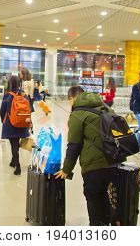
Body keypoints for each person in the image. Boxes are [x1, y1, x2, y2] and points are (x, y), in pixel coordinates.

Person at [55, 86, 115, 226]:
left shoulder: (78, 114)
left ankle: (95, 227)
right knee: (103, 194)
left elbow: (74, 145)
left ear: (72, 98)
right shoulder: (104, 107)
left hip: (94, 164)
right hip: (113, 160)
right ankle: (105, 225)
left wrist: (66, 170)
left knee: (92, 196)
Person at [0, 76, 30, 176]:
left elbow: (2, 110)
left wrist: (3, 121)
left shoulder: (7, 95)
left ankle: (17, 166)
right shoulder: (23, 95)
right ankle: (13, 161)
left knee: (14, 144)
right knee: (16, 143)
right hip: (23, 123)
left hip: (11, 123)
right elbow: (29, 109)